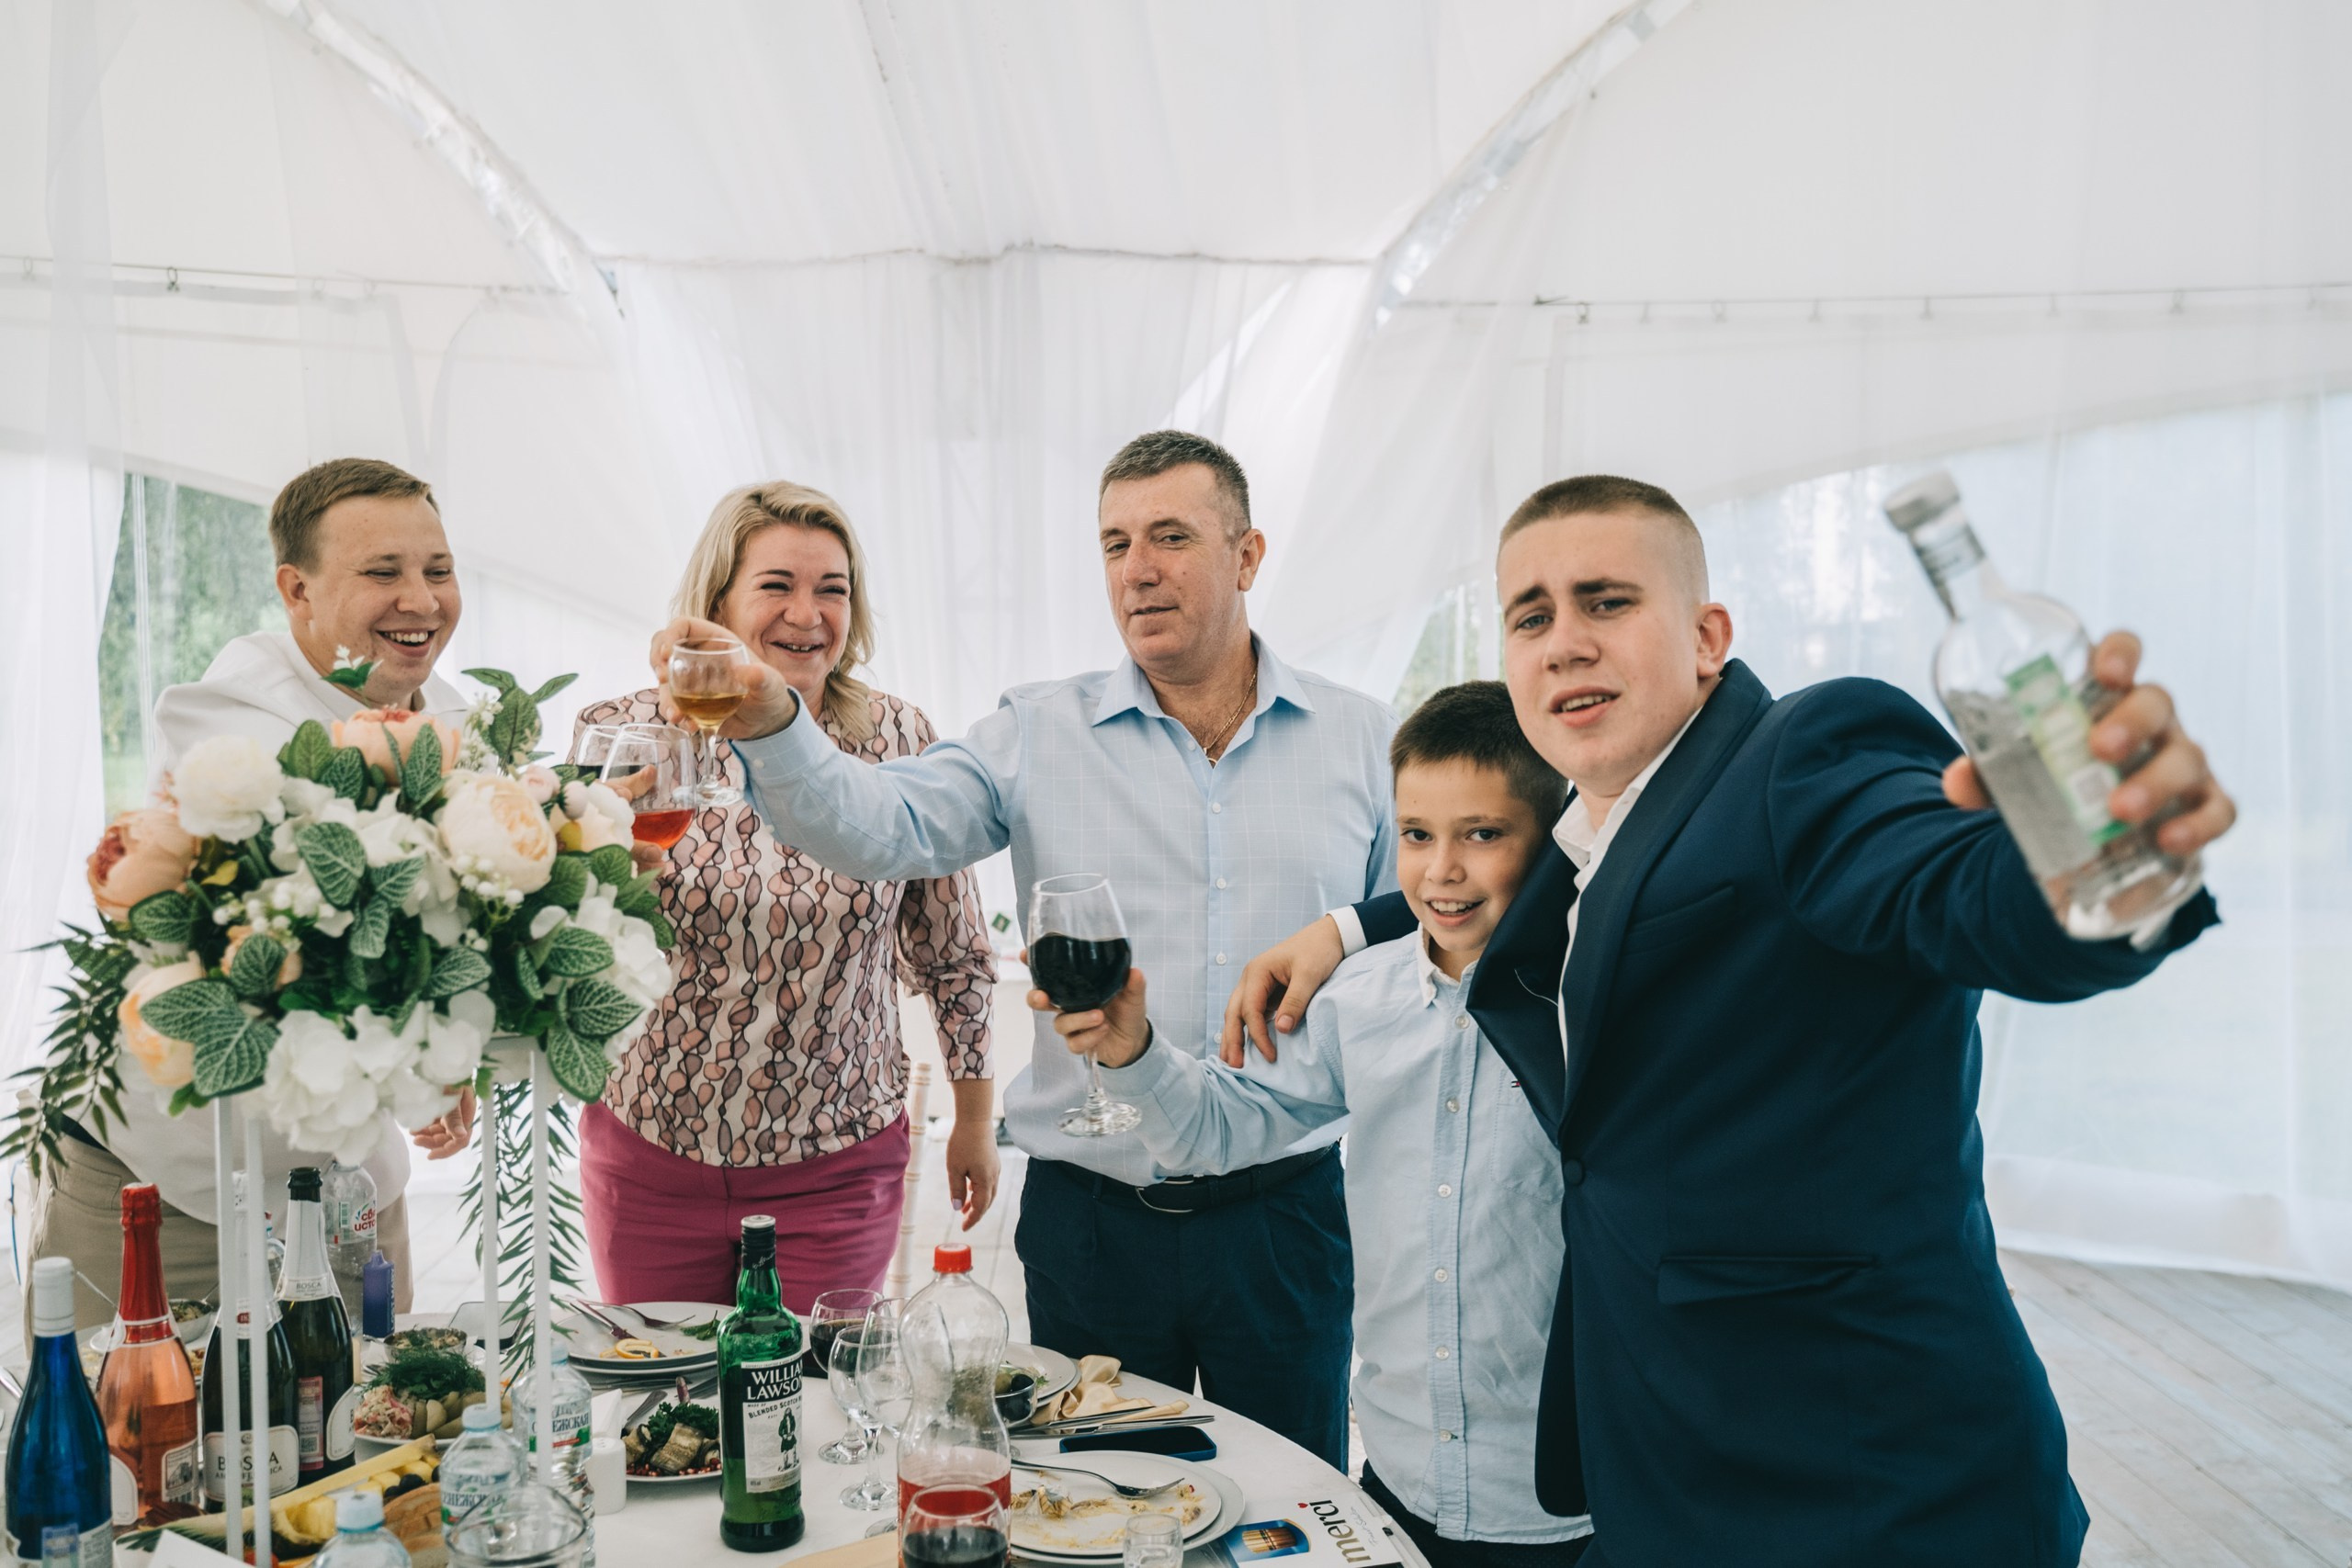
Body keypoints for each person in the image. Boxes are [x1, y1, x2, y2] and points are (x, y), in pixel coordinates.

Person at [1225, 475, 2234, 1565]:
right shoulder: (1581, 843)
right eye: (1530, 615)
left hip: (1871, 1487)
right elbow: (1499, 882)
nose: (1562, 641)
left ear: (1708, 638)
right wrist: (1345, 924)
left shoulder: (1800, 760)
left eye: (1605, 602)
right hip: (1661, 1484)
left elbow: (1946, 881)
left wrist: (2089, 858)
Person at [649, 432, 1396, 1466]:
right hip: (1095, 1227)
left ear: (1248, 556)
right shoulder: (1038, 732)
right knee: (1091, 1501)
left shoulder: (1364, 740)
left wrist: (1351, 927)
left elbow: (1442, 923)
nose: (1137, 569)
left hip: (1285, 1219)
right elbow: (878, 825)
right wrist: (776, 719)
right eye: (1115, 543)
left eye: (1171, 537)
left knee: (1289, 1513)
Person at [1050, 681, 1592, 1568]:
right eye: (1416, 834)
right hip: (1393, 1487)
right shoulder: (1357, 999)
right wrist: (1132, 1050)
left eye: (1482, 835)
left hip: (1558, 1511)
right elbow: (1219, 1129)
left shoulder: (1593, 1007)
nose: (1439, 869)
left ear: (1549, 842)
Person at [30, 457, 475, 1327]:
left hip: (347, 1199)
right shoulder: (225, 717)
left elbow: (446, 929)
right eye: (382, 572)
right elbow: (347, 907)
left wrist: (459, 1047)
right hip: (164, 1190)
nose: (420, 600)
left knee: (366, 1444)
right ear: (296, 589)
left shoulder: (454, 719)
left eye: (439, 569)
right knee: (126, 1448)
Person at [574, 481, 1000, 1311]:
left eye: (831, 589)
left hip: (838, 1165)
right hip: (650, 1152)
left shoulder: (898, 738)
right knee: (667, 1410)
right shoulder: (623, 732)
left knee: (814, 1410)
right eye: (777, 585)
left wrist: (975, 1122)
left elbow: (954, 953)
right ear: (718, 600)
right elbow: (567, 933)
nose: (808, 614)